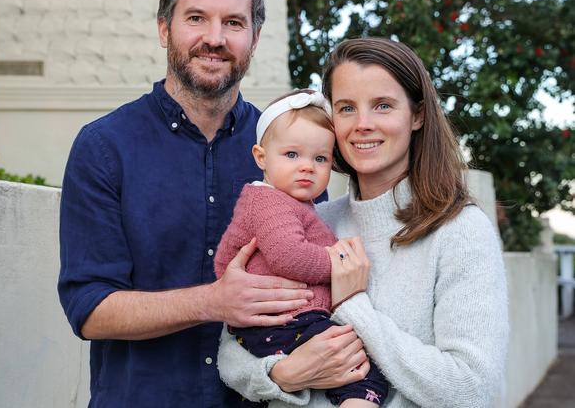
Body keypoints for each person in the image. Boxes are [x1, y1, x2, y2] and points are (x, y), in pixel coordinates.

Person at [57, 0, 320, 408]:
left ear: (255, 38)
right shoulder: (104, 147)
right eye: (196, 18)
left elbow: (317, 272)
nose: (214, 39)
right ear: (165, 29)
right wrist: (214, 302)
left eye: (234, 23)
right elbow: (89, 309)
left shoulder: (293, 151)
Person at [217, 37, 509, 407]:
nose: (363, 125)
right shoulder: (311, 222)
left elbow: (472, 388)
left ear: (417, 115)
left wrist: (353, 304)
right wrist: (282, 374)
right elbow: (231, 347)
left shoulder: (460, 231)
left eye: (383, 105)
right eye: (347, 108)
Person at [214, 89, 389, 407]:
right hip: (286, 321)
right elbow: (288, 256)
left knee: (345, 367)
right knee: (363, 372)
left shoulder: (291, 203)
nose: (307, 166)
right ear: (261, 157)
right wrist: (339, 261)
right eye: (292, 155)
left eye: (320, 158)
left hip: (282, 321)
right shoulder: (269, 202)